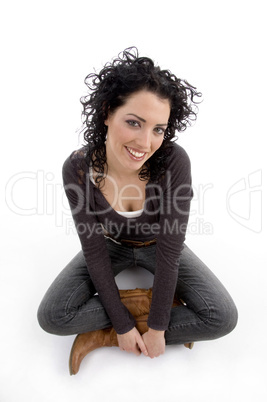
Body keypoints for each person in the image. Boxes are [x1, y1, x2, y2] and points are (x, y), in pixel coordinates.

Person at [37, 47, 238, 375]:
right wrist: (122, 325)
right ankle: (134, 310)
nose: (146, 142)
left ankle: (109, 330)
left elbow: (170, 254)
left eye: (158, 129)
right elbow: (94, 251)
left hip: (158, 247)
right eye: (134, 122)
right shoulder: (77, 168)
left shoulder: (174, 162)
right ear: (106, 112)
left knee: (222, 317)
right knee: (52, 317)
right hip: (110, 245)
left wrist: (159, 328)